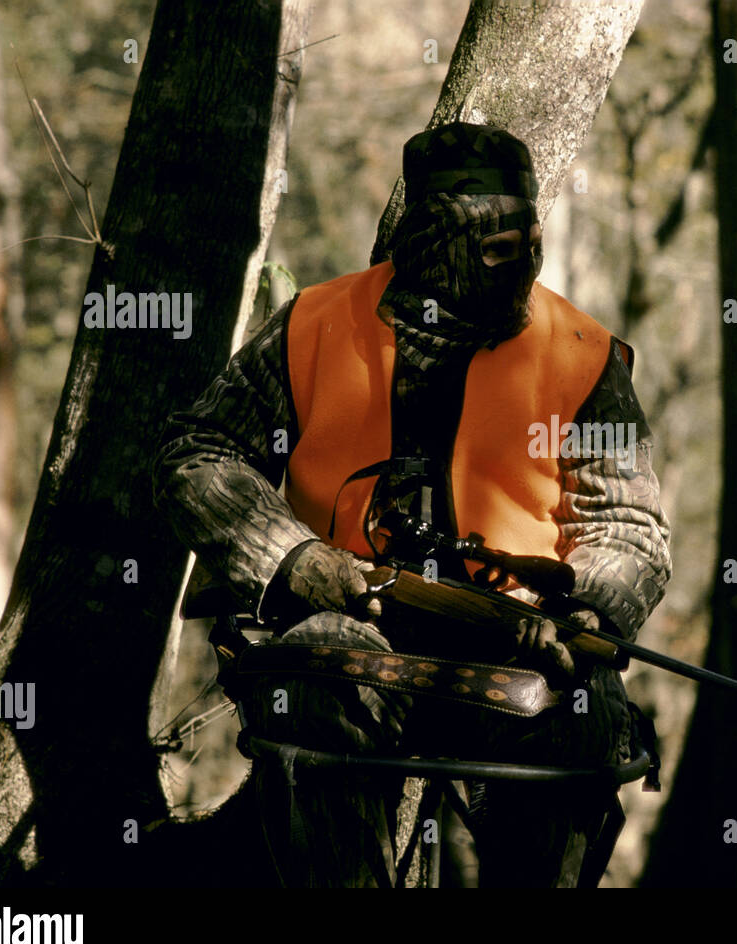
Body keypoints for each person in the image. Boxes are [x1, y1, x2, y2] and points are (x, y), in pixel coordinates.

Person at [152, 121, 671, 887]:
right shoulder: (316, 325)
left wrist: (590, 610)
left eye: (519, 235)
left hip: (519, 648)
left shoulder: (582, 354)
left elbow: (628, 526)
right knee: (311, 675)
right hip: (348, 629)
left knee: (590, 717)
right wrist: (293, 559)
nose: (512, 258)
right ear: (428, 234)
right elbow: (194, 455)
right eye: (488, 239)